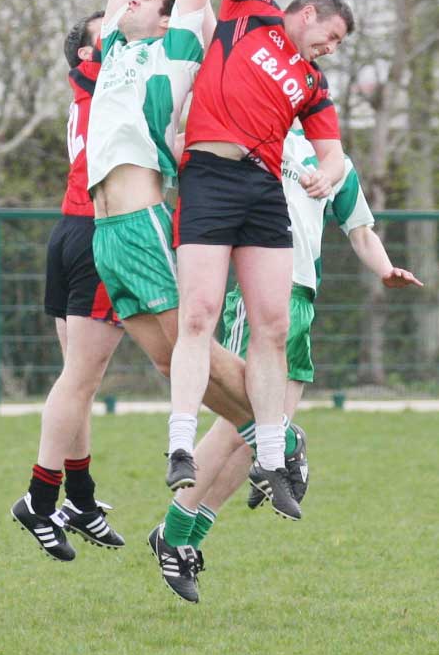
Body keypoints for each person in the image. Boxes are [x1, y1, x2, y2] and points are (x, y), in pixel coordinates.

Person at [167, 0, 355, 520]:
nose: (329, 50)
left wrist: (327, 174)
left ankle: (274, 457)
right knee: (199, 315)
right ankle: (180, 443)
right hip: (209, 177)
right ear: (306, 15)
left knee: (272, 325)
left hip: (261, 189)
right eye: (329, 36)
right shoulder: (252, 10)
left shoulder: (312, 83)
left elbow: (333, 149)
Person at [149, 123, 422, 603]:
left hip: (301, 303)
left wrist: (385, 269)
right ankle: (172, 531)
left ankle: (189, 536)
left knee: (262, 436)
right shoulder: (251, 142)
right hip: (258, 297)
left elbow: (361, 230)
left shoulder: (331, 161)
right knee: (243, 425)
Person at [10, 0, 139, 562]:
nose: (118, 21)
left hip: (71, 229)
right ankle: (39, 499)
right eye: (109, 27)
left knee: (75, 381)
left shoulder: (90, 82)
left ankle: (81, 500)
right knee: (80, 380)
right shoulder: (105, 71)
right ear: (94, 49)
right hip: (97, 233)